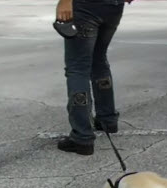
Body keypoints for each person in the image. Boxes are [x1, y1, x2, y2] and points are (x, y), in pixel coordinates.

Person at [56, 0, 130, 155]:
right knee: (98, 60)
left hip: (86, 6)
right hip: (113, 6)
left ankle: (82, 136)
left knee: (78, 69)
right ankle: (107, 119)